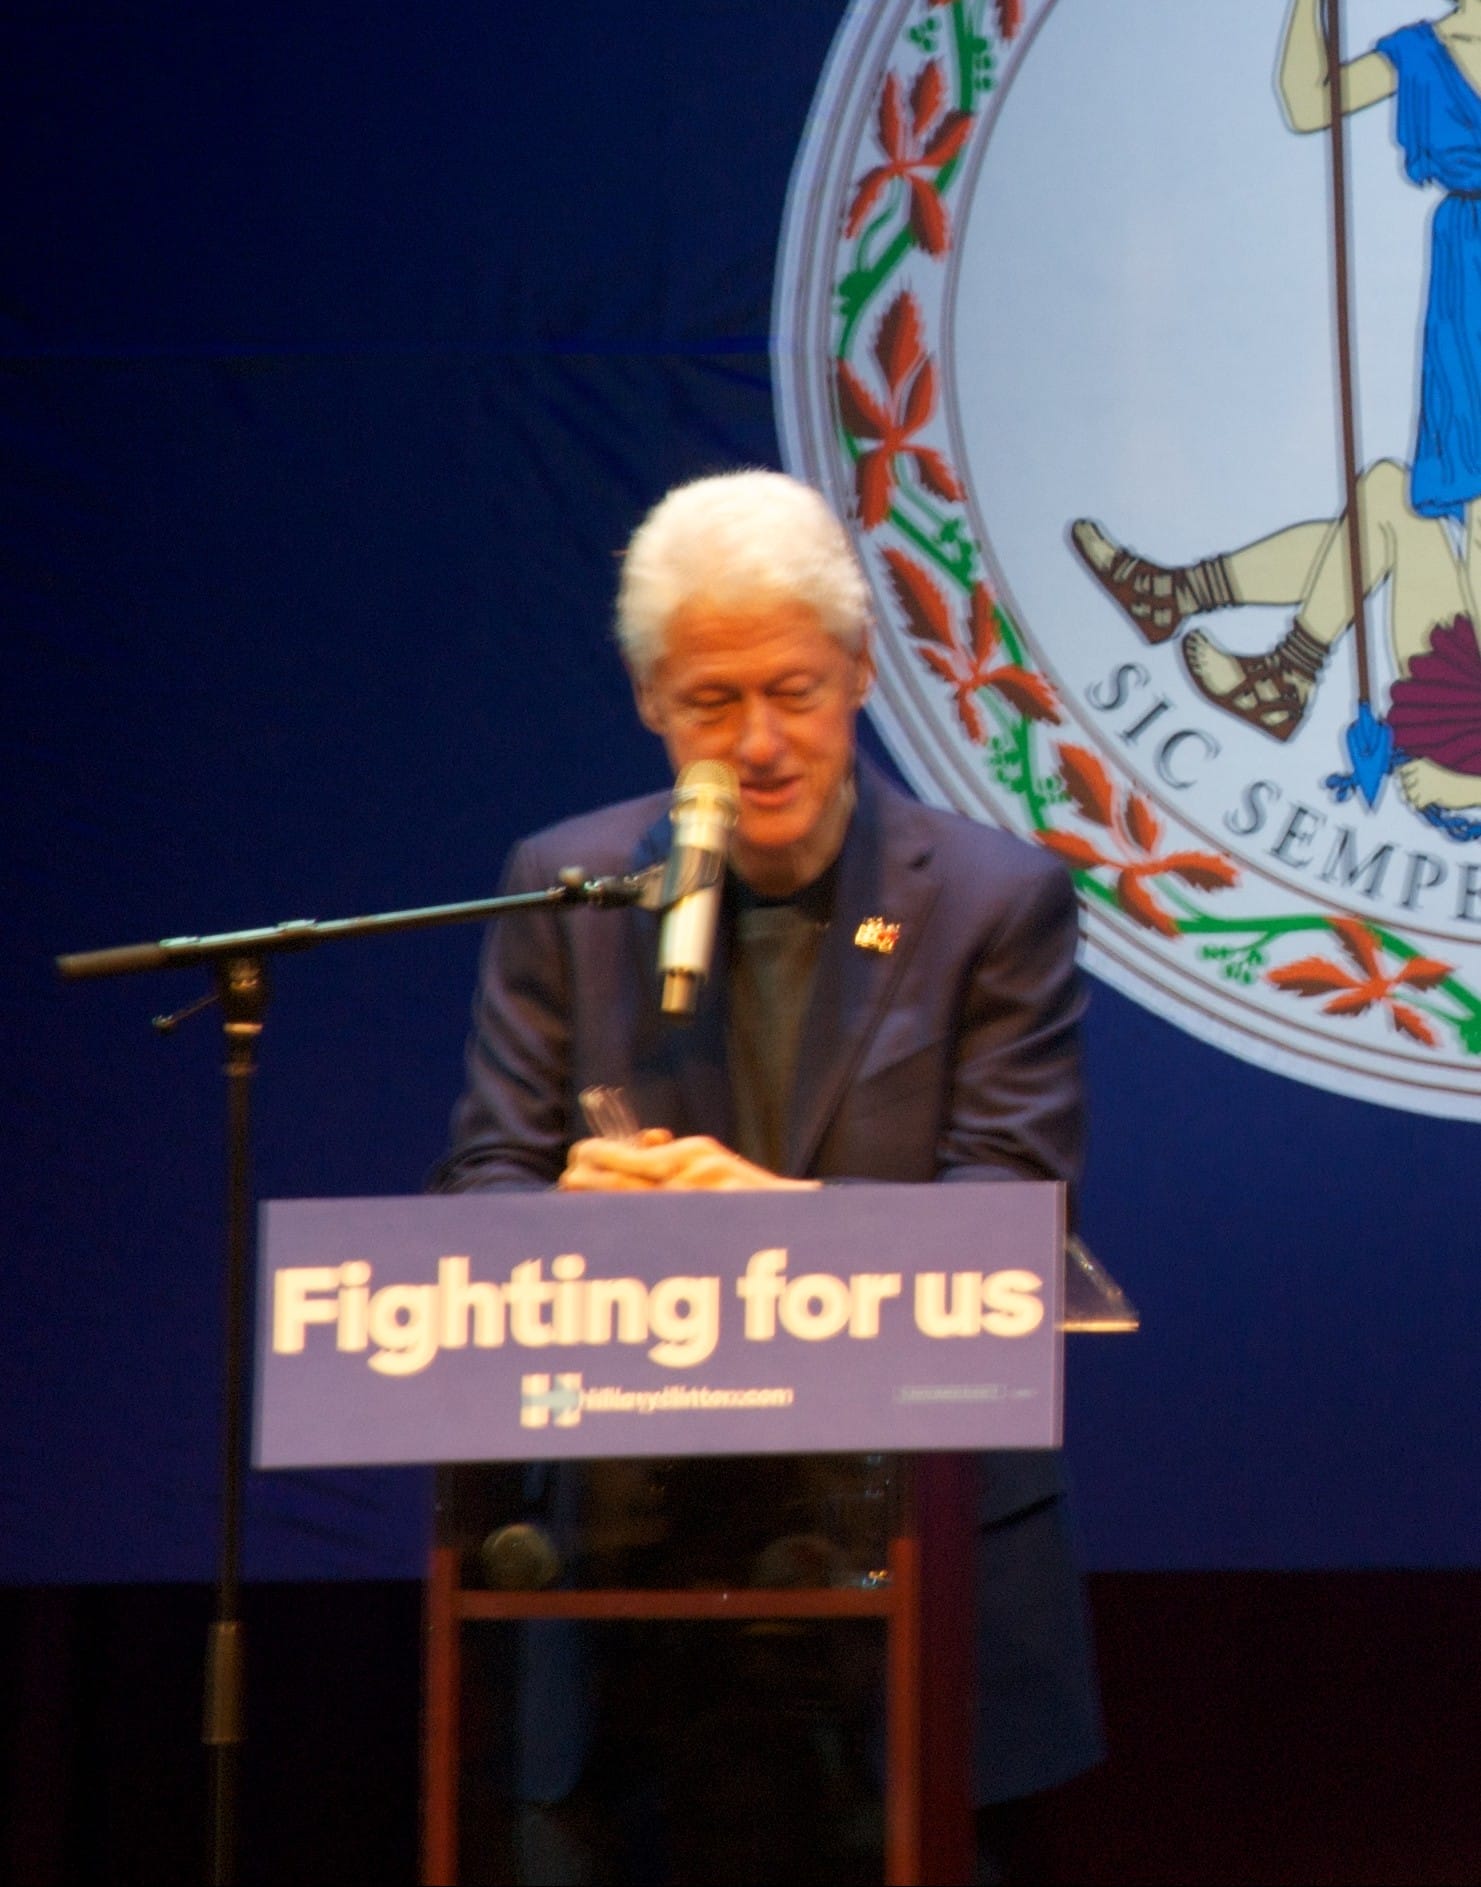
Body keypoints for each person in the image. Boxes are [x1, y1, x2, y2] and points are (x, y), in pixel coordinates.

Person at [435, 469, 1101, 1882]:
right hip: (626, 1591)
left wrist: (781, 1230)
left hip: (905, 1576)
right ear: (649, 705)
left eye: (792, 690)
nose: (757, 742)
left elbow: (1018, 1227)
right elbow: (475, 1196)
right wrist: (556, 1224)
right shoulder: (568, 898)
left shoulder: (992, 903)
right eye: (710, 703)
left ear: (858, 672)